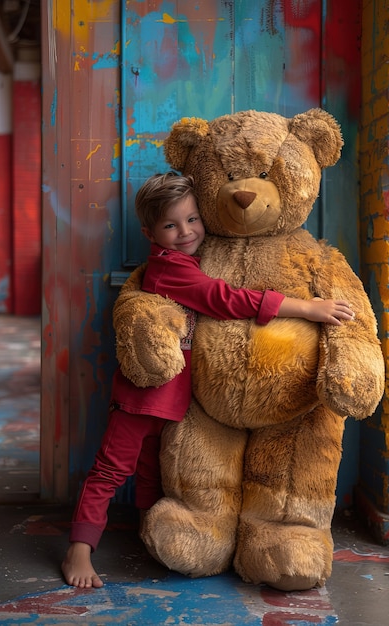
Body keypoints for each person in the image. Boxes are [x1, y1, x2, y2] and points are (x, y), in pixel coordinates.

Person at [62, 172, 355, 589]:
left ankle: (149, 533)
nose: (185, 232)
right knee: (111, 469)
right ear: (150, 232)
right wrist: (305, 308)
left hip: (179, 401)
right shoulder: (169, 270)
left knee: (150, 474)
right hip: (142, 396)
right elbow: (224, 299)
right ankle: (80, 548)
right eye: (170, 225)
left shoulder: (192, 259)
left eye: (193, 219)